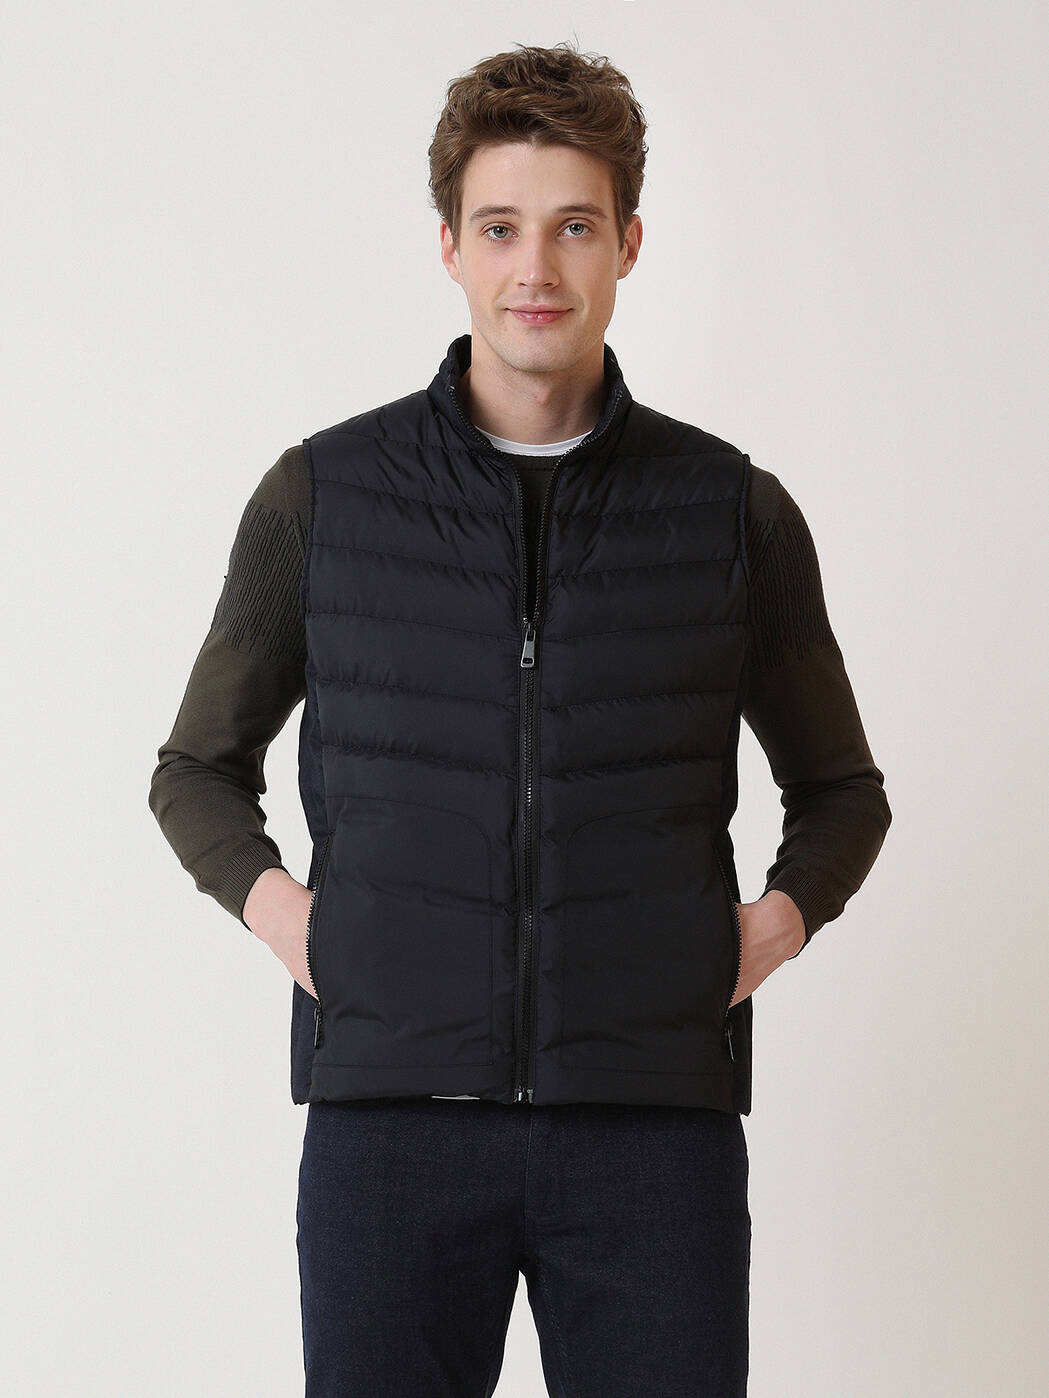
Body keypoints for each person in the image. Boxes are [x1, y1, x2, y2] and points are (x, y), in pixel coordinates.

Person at [148, 40, 891, 1398]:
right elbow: (196, 768)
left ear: (628, 244)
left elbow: (843, 790)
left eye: (573, 227)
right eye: (499, 227)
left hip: (652, 1140)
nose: (534, 268)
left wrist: (764, 929)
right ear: (448, 245)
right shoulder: (326, 499)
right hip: (389, 1136)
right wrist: (297, 922)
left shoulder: (731, 512)